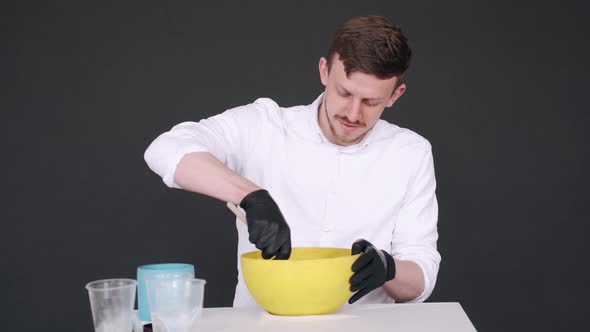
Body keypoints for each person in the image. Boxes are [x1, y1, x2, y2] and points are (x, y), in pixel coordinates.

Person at [144, 15, 440, 307]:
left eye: (370, 102)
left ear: (395, 95)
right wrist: (250, 196)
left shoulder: (411, 153)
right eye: (344, 92)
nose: (353, 113)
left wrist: (388, 269)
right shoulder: (264, 126)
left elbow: (421, 275)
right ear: (324, 72)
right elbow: (165, 149)